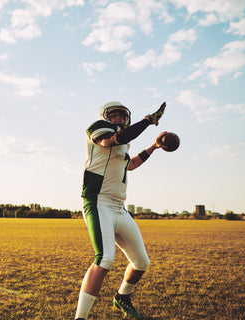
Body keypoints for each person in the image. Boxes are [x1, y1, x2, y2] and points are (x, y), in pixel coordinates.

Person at [75, 101, 167, 319]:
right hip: (98, 201)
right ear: (105, 117)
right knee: (105, 259)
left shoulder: (124, 146)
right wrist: (148, 121)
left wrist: (153, 147)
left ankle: (122, 297)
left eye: (121, 115)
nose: (118, 118)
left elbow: (131, 164)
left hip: (118, 207)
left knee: (141, 262)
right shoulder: (97, 129)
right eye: (113, 115)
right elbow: (113, 139)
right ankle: (80, 318)